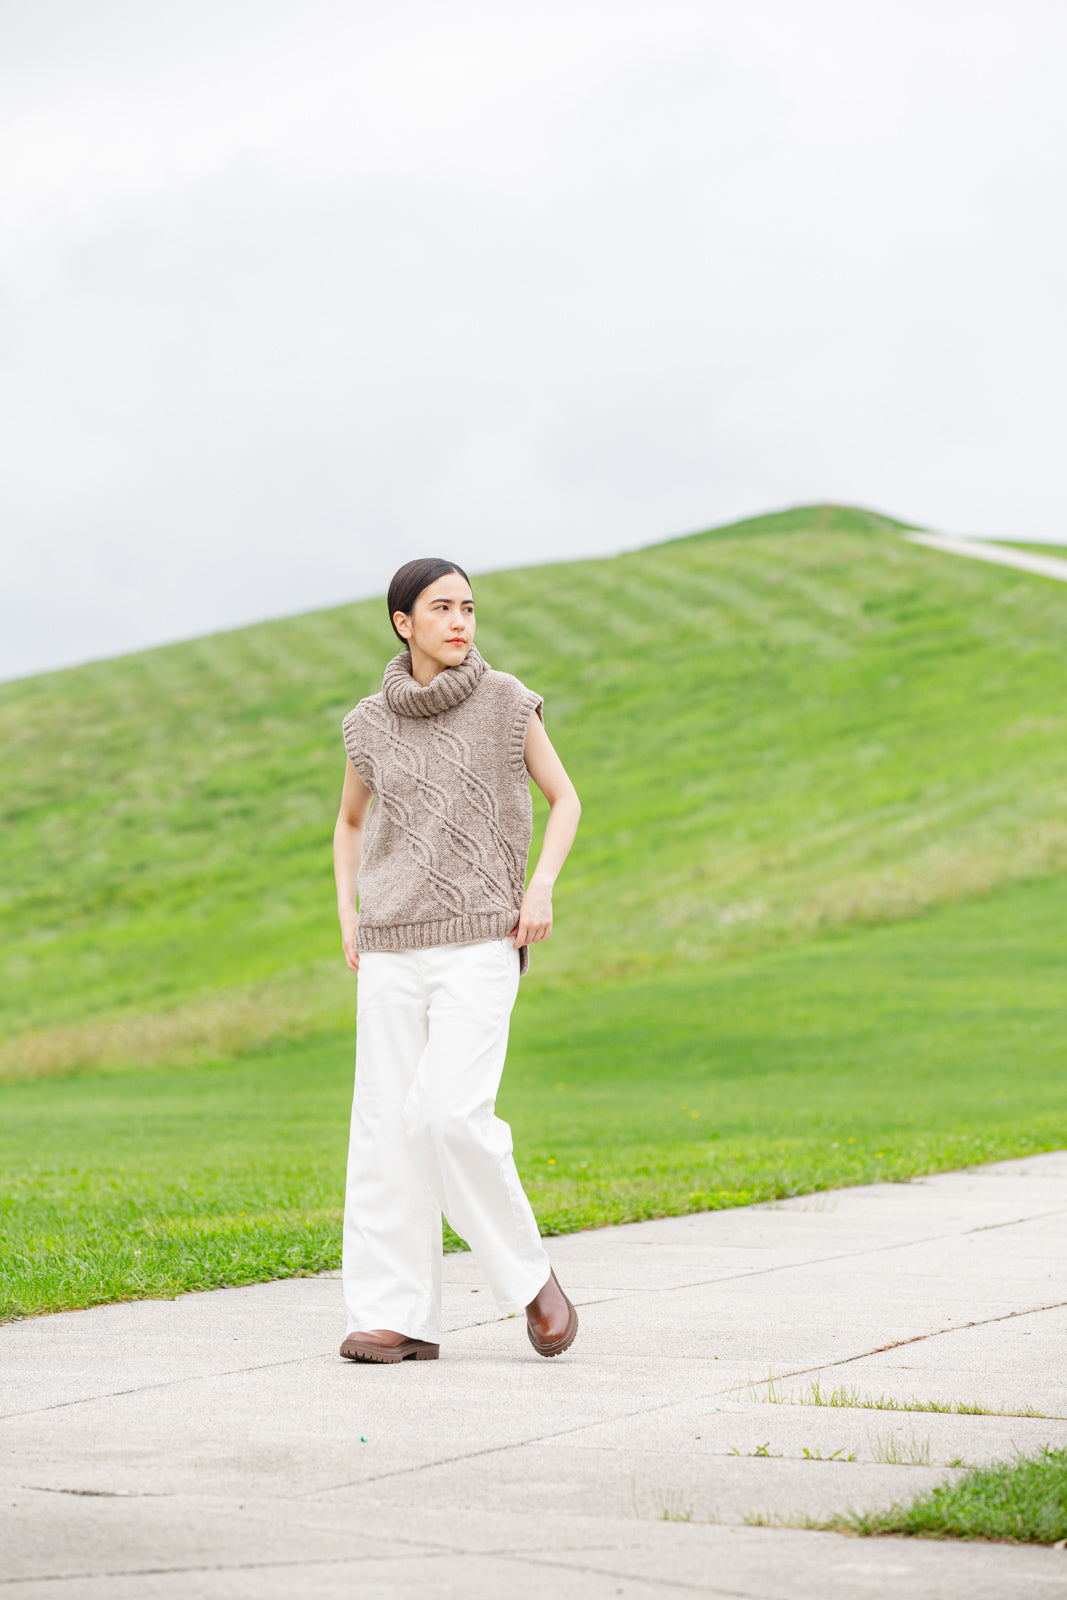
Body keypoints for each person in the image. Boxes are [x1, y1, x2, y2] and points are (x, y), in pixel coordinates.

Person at [332, 557, 582, 1363]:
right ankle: (395, 1316)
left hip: (482, 940)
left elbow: (565, 799)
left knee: (446, 1114)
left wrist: (539, 888)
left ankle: (530, 1278)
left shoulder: (506, 700)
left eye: (468, 607)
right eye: (441, 608)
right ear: (402, 623)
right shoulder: (367, 723)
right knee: (383, 1130)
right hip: (391, 947)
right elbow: (350, 822)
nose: (459, 621)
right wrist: (348, 911)